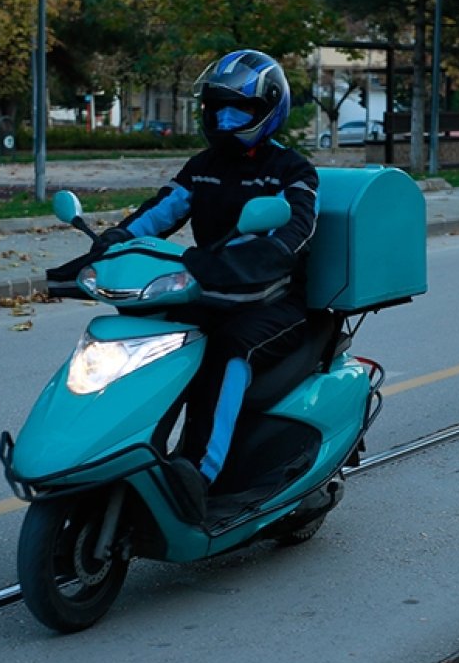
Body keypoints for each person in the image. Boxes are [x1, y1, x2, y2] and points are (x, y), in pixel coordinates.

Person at [46, 49, 319, 523]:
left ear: (269, 111)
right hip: (208, 290)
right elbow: (161, 213)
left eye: (238, 109)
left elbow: (292, 234)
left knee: (228, 348)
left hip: (272, 301)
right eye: (216, 107)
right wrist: (111, 244)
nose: (224, 118)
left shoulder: (292, 171)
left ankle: (198, 473)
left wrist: (234, 262)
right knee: (153, 342)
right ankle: (119, 452)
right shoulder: (203, 165)